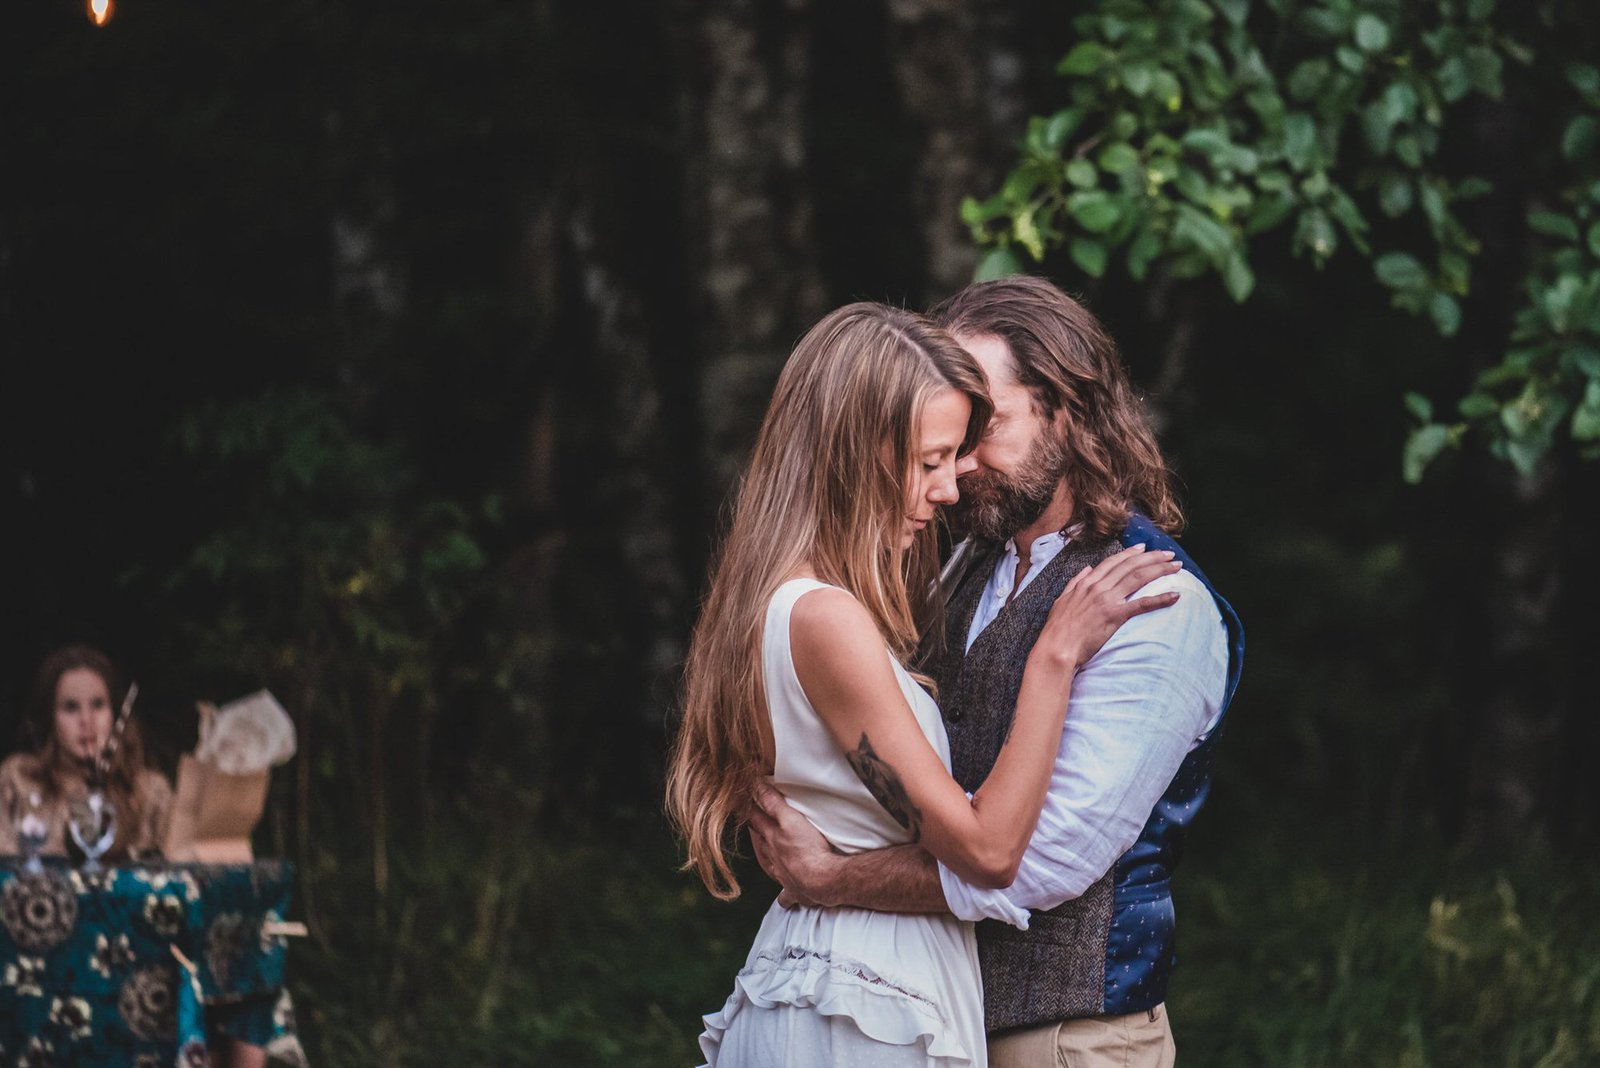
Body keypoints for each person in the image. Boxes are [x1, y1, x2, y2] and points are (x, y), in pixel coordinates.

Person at [666, 301, 1185, 1067]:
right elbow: (988, 852)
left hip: (844, 979)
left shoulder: (786, 600)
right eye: (930, 459)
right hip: (860, 1000)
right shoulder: (826, 619)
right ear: (855, 452)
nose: (950, 489)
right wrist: (1054, 657)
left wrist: (830, 871)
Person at [0, 644, 174, 861]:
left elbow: (179, 868)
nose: (86, 720)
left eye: (98, 705)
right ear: (50, 716)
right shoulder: (19, 778)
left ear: (115, 713)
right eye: (71, 707)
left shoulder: (149, 791)